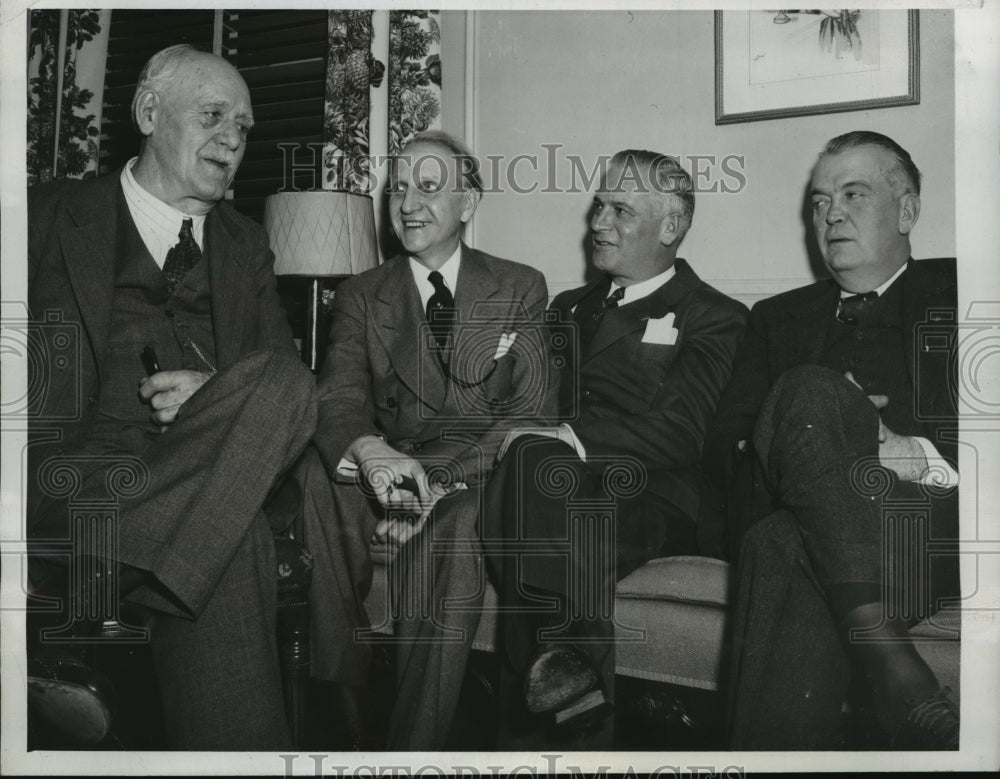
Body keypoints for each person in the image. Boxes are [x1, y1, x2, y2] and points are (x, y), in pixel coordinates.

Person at [26, 45, 316, 749]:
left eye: (244, 128)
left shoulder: (246, 246)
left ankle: (91, 610)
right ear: (150, 112)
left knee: (289, 382)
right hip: (77, 483)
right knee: (234, 535)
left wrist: (218, 394)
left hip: (193, 491)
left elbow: (278, 396)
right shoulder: (45, 214)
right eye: (214, 115)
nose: (234, 139)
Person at [299, 130, 558, 750]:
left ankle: (413, 747)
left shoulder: (520, 286)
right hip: (385, 465)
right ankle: (344, 697)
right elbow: (337, 400)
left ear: (469, 203)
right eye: (399, 190)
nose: (408, 204)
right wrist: (372, 458)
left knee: (460, 522)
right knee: (314, 478)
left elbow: (531, 413)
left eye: (430, 188)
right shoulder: (362, 294)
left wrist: (434, 483)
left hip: (467, 475)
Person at [483, 149, 749, 747]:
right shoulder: (566, 309)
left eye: (620, 209)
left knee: (538, 472)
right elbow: (522, 407)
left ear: (671, 228)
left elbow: (682, 430)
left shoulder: (715, 315)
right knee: (532, 464)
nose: (598, 221)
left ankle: (544, 721)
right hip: (547, 488)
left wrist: (569, 436)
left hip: (647, 495)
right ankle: (569, 669)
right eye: (599, 205)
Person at [704, 131, 960, 749]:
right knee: (810, 394)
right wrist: (820, 425)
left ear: (907, 210)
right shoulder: (774, 318)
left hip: (921, 521)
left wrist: (899, 449)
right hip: (806, 512)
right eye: (820, 202)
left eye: (853, 194)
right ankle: (890, 660)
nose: (832, 213)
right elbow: (728, 450)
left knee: (782, 540)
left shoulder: (966, 291)